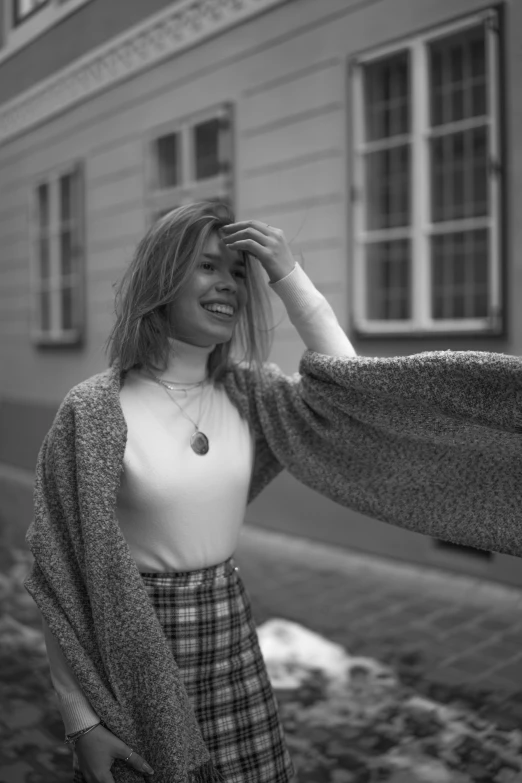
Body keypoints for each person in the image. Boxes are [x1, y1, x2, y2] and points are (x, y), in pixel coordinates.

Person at [24, 201, 522, 783]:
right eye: (208, 266)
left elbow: (359, 397)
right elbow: (60, 575)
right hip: (133, 654)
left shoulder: (252, 396)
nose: (229, 285)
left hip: (233, 644)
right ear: (161, 277)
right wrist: (81, 721)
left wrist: (289, 275)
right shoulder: (93, 412)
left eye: (238, 271)